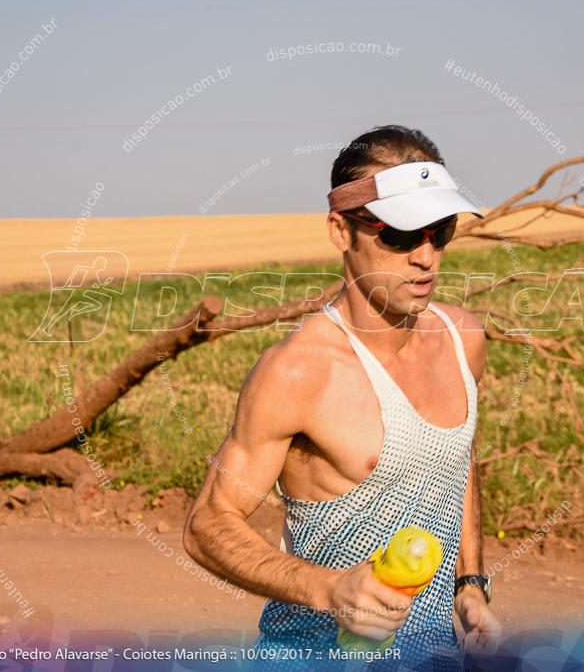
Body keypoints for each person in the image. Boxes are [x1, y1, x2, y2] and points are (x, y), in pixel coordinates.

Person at [184, 125, 501, 670]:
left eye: (440, 230)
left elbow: (459, 460)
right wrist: (328, 589)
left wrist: (469, 583)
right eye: (400, 236)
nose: (426, 257)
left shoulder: (462, 339)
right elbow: (207, 525)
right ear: (340, 230)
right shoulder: (299, 372)